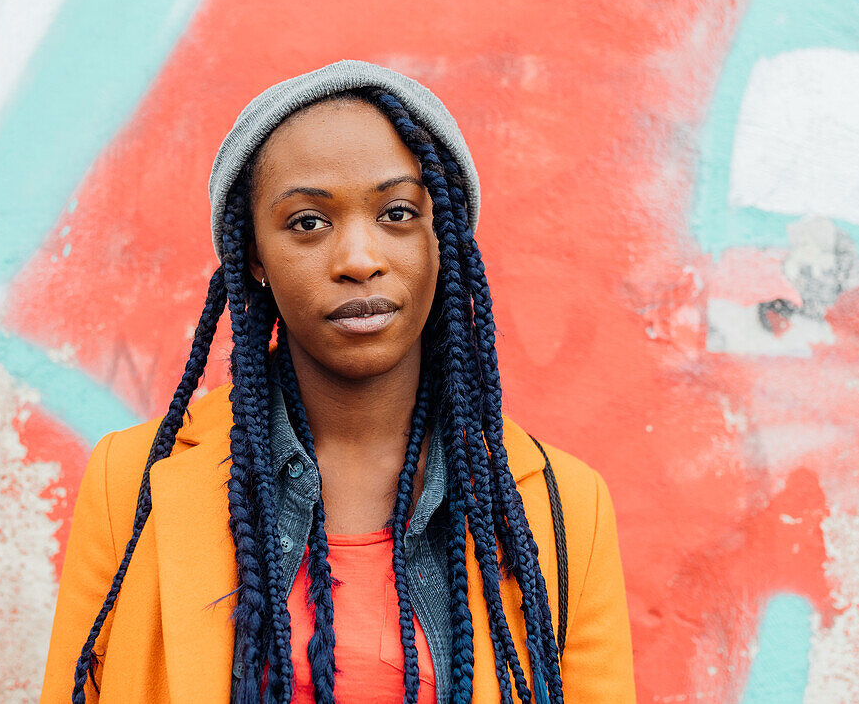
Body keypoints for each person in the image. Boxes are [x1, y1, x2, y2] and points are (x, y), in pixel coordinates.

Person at [39, 60, 635, 704]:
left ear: (447, 238)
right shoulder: (129, 484)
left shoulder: (561, 507)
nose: (359, 260)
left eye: (399, 213)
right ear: (255, 258)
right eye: (308, 223)